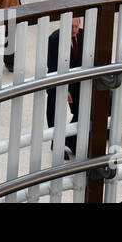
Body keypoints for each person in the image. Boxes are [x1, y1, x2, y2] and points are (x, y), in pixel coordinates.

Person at [45, 16, 84, 156]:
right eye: (71, 27)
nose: (74, 30)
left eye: (76, 27)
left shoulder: (83, 35)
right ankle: (56, 143)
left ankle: (70, 140)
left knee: (83, 111)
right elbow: (53, 66)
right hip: (58, 83)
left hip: (77, 83)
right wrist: (64, 88)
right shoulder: (55, 39)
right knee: (55, 114)